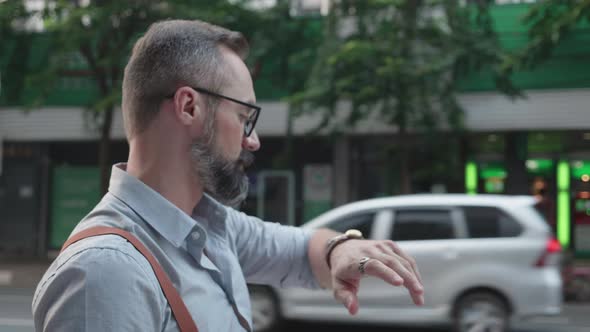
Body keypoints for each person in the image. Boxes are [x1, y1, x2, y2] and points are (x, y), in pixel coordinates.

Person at [32, 20, 424, 331]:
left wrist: (341, 249)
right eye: (244, 116)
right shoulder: (105, 271)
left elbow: (302, 251)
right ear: (189, 107)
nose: (252, 140)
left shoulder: (211, 227)